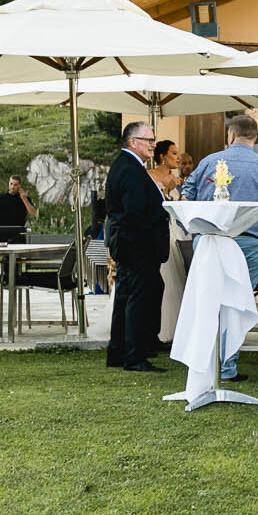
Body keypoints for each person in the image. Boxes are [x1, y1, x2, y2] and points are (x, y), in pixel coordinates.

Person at [183, 115, 258, 384]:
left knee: (209, 302)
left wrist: (193, 231)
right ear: (255, 137)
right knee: (235, 304)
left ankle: (203, 363)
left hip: (209, 240)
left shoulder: (209, 162)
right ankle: (226, 366)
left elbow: (185, 199)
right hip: (252, 243)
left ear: (230, 135)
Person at [103, 120, 169, 373]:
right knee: (137, 300)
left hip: (130, 243)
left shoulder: (127, 165)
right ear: (133, 142)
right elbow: (135, 212)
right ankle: (134, 356)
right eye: (148, 140)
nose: (153, 144)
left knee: (124, 297)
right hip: (137, 245)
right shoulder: (130, 169)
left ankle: (117, 352)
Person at [149, 140, 188, 346]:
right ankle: (157, 329)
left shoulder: (178, 180)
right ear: (162, 156)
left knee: (177, 280)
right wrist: (166, 191)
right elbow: (151, 206)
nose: (178, 157)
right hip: (157, 233)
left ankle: (176, 329)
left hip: (174, 232)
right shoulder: (150, 176)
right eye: (174, 153)